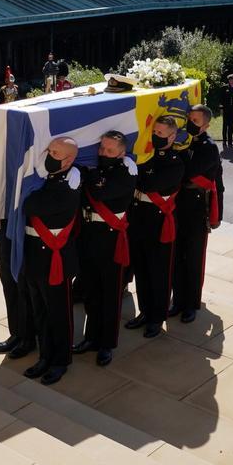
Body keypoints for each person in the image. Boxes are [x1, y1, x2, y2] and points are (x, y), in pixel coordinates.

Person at [20, 137, 81, 385]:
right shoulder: (47, 178)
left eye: (55, 152)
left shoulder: (71, 184)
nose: (48, 154)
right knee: (40, 310)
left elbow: (32, 205)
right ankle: (45, 355)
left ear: (68, 160)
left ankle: (60, 360)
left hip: (55, 257)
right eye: (49, 149)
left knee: (59, 312)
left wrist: (30, 198)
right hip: (35, 253)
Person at [74, 131, 137, 367]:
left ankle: (107, 344)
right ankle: (91, 337)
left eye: (109, 151)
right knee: (90, 290)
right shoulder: (94, 169)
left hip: (110, 238)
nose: (103, 153)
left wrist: (90, 173)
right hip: (89, 234)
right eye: (101, 149)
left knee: (110, 293)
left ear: (121, 153)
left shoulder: (126, 172)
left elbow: (100, 192)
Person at [126, 116, 185, 338]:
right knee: (141, 269)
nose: (156, 137)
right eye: (155, 132)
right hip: (140, 218)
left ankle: (156, 317)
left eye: (161, 134)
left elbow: (148, 183)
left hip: (159, 223)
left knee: (158, 272)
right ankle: (144, 311)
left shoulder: (175, 162)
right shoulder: (147, 157)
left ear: (172, 136)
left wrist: (138, 177)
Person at [172, 106, 222, 324]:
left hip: (196, 207)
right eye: (189, 118)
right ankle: (178, 300)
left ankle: (191, 303)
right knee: (177, 255)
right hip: (177, 205)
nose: (190, 122)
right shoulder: (183, 142)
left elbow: (188, 171)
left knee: (193, 257)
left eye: (195, 120)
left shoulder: (208, 148)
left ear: (206, 125)